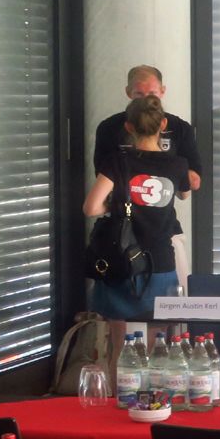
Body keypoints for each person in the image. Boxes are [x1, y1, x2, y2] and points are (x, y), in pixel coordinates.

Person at [83, 95, 190, 372]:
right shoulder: (178, 165)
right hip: (160, 263)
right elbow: (185, 193)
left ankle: (118, 395)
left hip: (122, 261)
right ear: (163, 124)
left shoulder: (116, 163)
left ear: (128, 127)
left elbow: (91, 207)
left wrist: (119, 205)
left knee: (120, 347)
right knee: (157, 345)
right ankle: (154, 396)